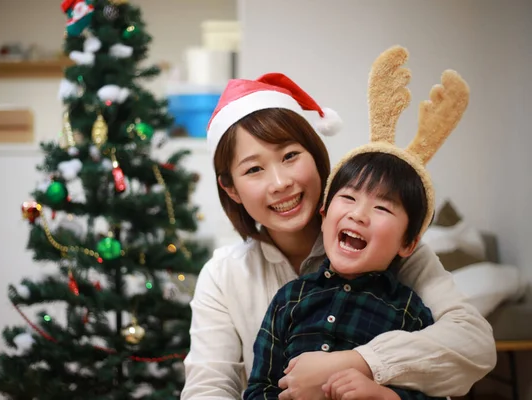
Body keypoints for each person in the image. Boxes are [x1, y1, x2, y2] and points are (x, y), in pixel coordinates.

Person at [181, 53, 496, 400]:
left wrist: (360, 362)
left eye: (290, 156)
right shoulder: (224, 275)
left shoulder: (393, 251)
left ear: (317, 156)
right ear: (231, 188)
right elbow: (208, 388)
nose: (279, 183)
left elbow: (475, 345)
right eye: (253, 169)